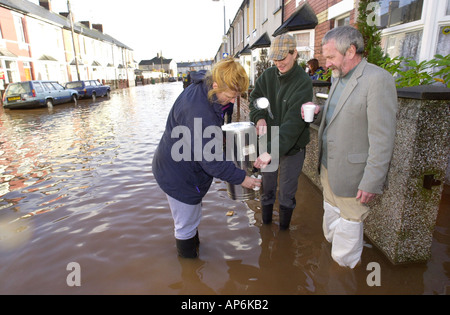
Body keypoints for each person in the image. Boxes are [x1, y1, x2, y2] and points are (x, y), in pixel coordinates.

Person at [301, 26, 398, 268]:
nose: (328, 63)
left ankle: (343, 277)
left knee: (349, 229)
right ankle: (329, 266)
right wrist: (317, 114)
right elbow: (337, 117)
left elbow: (382, 138)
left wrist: (371, 181)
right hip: (329, 170)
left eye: (331, 57)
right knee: (331, 216)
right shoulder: (338, 76)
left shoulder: (378, 80)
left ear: (351, 50)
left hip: (354, 177)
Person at [152, 58, 265, 259]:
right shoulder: (198, 111)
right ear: (216, 85)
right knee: (185, 224)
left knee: (191, 217)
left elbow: (205, 138)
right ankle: (190, 269)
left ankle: (194, 256)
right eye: (231, 96)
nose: (233, 101)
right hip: (177, 174)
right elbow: (211, 160)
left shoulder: (207, 92)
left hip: (184, 166)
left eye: (236, 97)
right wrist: (243, 178)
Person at [250, 33, 313, 230]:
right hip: (267, 141)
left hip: (292, 147)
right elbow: (256, 98)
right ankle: (266, 226)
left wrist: (271, 151)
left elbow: (293, 125)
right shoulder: (268, 76)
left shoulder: (303, 82)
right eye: (275, 59)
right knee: (267, 188)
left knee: (286, 192)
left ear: (294, 53)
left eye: (283, 58)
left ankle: (284, 232)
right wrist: (259, 116)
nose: (278, 63)